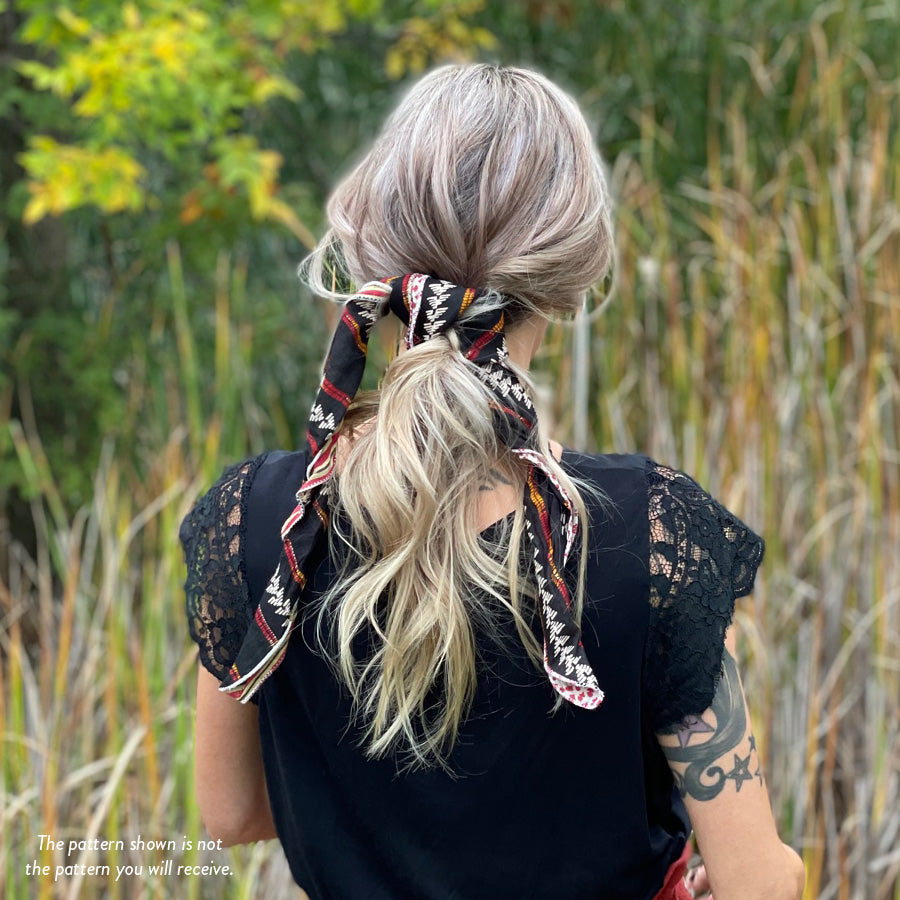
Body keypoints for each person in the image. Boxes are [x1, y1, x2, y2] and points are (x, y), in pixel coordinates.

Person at [180, 64, 805, 900]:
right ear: (571, 279)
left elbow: (232, 813)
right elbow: (760, 883)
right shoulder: (648, 535)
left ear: (374, 254)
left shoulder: (263, 521)